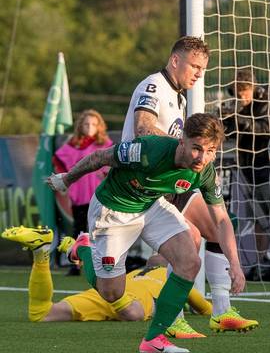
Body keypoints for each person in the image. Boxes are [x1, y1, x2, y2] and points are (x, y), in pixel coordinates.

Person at [46, 113, 235, 353]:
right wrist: (67, 179)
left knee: (189, 262)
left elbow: (221, 219)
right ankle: (83, 248)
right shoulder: (147, 150)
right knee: (112, 293)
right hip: (112, 211)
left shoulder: (205, 171)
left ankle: (154, 340)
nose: (202, 157)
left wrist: (235, 264)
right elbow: (98, 157)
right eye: (197, 148)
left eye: (210, 151)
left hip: (152, 206)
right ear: (182, 141)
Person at [121, 35, 257, 333]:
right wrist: (187, 148)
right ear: (175, 60)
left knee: (206, 230)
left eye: (202, 68)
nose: (198, 73)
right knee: (192, 237)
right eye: (194, 66)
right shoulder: (153, 85)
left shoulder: (179, 96)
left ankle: (219, 311)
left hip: (169, 180)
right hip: (145, 180)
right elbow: (143, 128)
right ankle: (173, 315)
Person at [0, 225, 211, 335]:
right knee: (134, 314)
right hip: (126, 302)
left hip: (106, 291)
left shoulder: (135, 273)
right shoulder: (174, 277)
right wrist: (216, 308)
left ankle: (41, 252)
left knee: (41, 313)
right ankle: (82, 249)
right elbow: (204, 309)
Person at [222, 67, 270, 266]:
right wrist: (226, 121)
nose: (240, 97)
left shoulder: (269, 102)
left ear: (252, 88)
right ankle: (262, 263)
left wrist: (239, 119)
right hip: (251, 173)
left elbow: (266, 129)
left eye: (243, 91)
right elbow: (234, 134)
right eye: (237, 92)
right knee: (259, 221)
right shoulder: (240, 108)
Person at [53, 109, 113, 276]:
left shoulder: (105, 144)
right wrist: (64, 179)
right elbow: (58, 159)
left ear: (100, 126)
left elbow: (113, 165)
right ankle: (75, 265)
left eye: (94, 124)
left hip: (100, 195)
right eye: (86, 124)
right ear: (80, 126)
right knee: (78, 230)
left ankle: (102, 263)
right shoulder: (74, 144)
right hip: (79, 196)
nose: (90, 127)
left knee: (100, 230)